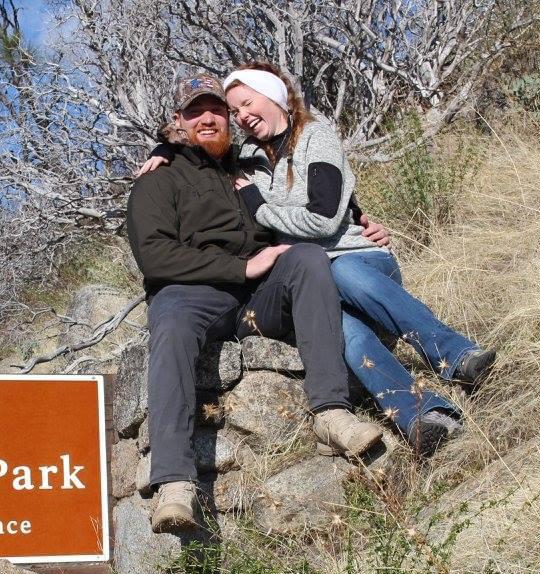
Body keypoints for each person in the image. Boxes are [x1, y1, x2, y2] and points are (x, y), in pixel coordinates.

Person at [140, 63, 496, 456]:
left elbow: (326, 217)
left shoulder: (315, 137)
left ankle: (456, 354)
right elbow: (200, 141)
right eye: (236, 110)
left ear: (273, 95)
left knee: (344, 271)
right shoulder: (245, 158)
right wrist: (165, 150)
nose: (241, 116)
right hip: (314, 276)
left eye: (245, 103)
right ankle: (421, 414)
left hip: (355, 260)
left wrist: (260, 206)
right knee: (347, 332)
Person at [127, 72, 387, 534]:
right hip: (193, 294)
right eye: (195, 111)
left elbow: (312, 199)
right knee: (169, 325)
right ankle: (175, 483)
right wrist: (239, 269)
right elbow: (154, 256)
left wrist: (359, 220)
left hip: (256, 297)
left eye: (216, 110)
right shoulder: (158, 179)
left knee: (307, 259)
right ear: (177, 122)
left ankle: (331, 413)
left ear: (230, 118)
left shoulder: (250, 166)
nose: (207, 118)